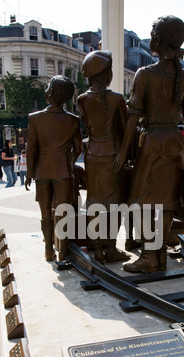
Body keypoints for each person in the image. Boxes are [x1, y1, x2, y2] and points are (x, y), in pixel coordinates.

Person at [113, 15, 184, 272]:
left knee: (140, 201)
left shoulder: (145, 74)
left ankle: (150, 256)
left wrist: (123, 152)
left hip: (152, 142)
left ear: (159, 39)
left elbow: (133, 118)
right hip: (175, 142)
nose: (150, 39)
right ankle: (159, 255)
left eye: (152, 34)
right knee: (167, 202)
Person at [78, 50, 130, 264]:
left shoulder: (82, 100)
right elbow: (125, 129)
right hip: (113, 154)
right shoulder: (117, 99)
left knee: (94, 202)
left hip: (92, 154)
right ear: (105, 73)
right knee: (115, 203)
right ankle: (111, 247)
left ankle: (98, 250)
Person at [25, 75, 82, 262]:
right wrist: (68, 161)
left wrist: (29, 173)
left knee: (45, 213)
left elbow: (31, 150)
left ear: (49, 92)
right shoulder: (73, 120)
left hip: (42, 172)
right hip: (64, 172)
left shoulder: (35, 119)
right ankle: (63, 250)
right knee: (64, 211)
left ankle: (48, 249)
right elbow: (78, 148)